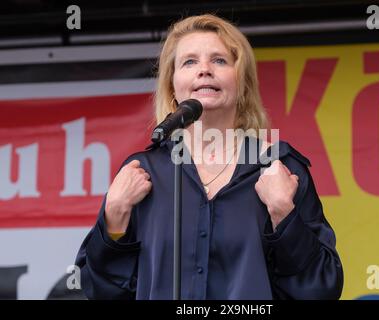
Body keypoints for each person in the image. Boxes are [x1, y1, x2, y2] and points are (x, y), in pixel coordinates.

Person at [75, 14, 343, 300]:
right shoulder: (143, 172)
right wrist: (114, 220)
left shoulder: (279, 168)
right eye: (189, 62)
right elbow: (97, 290)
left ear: (242, 84)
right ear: (172, 86)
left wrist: (283, 215)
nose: (204, 70)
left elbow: (322, 290)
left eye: (219, 60)